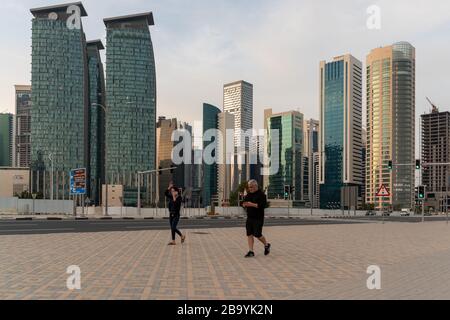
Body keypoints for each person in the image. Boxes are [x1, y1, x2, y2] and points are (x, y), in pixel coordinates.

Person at [242, 180, 271, 258]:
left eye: (251, 187)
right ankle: (251, 251)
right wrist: (244, 205)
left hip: (258, 218)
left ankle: (266, 245)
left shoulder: (262, 195)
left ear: (256, 186)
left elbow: (262, 206)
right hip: (249, 217)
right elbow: (244, 203)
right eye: (249, 187)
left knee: (257, 234)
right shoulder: (248, 195)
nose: (250, 189)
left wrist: (252, 204)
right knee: (249, 234)